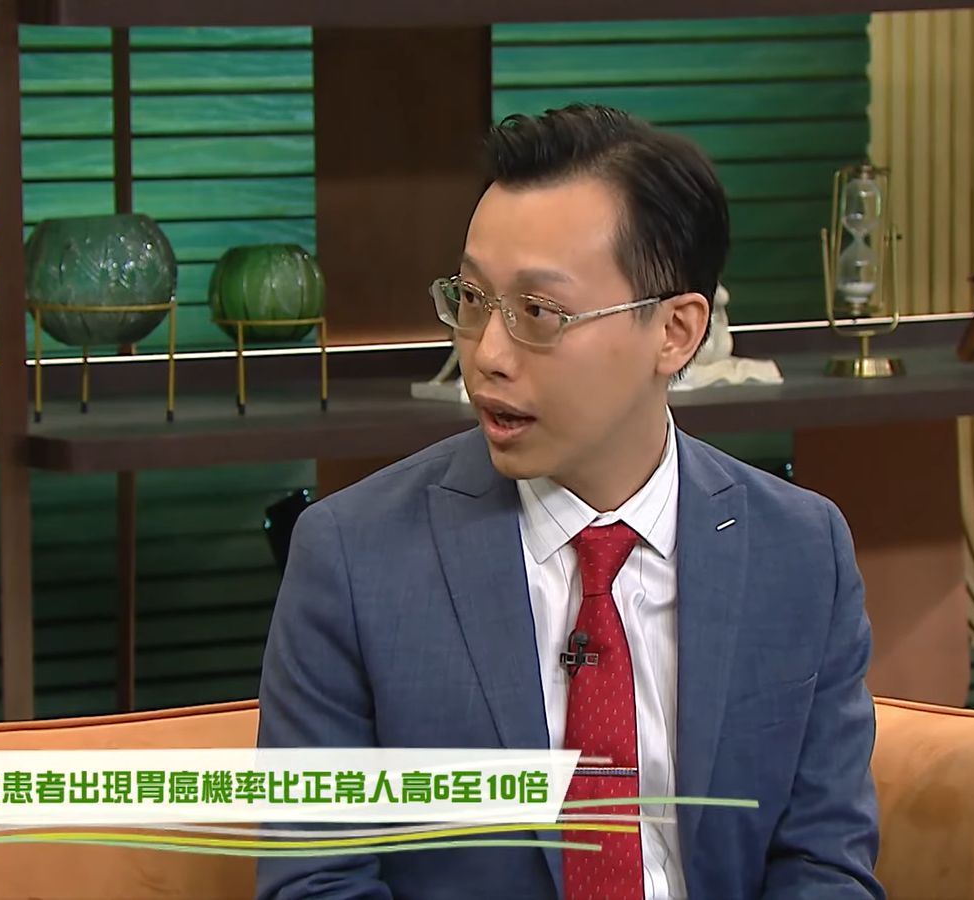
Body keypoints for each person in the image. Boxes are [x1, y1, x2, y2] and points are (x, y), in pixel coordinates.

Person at [256, 104, 883, 900]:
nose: (488, 355)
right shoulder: (354, 559)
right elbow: (315, 882)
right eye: (472, 301)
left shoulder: (799, 550)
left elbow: (826, 860)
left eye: (538, 314)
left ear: (676, 332)